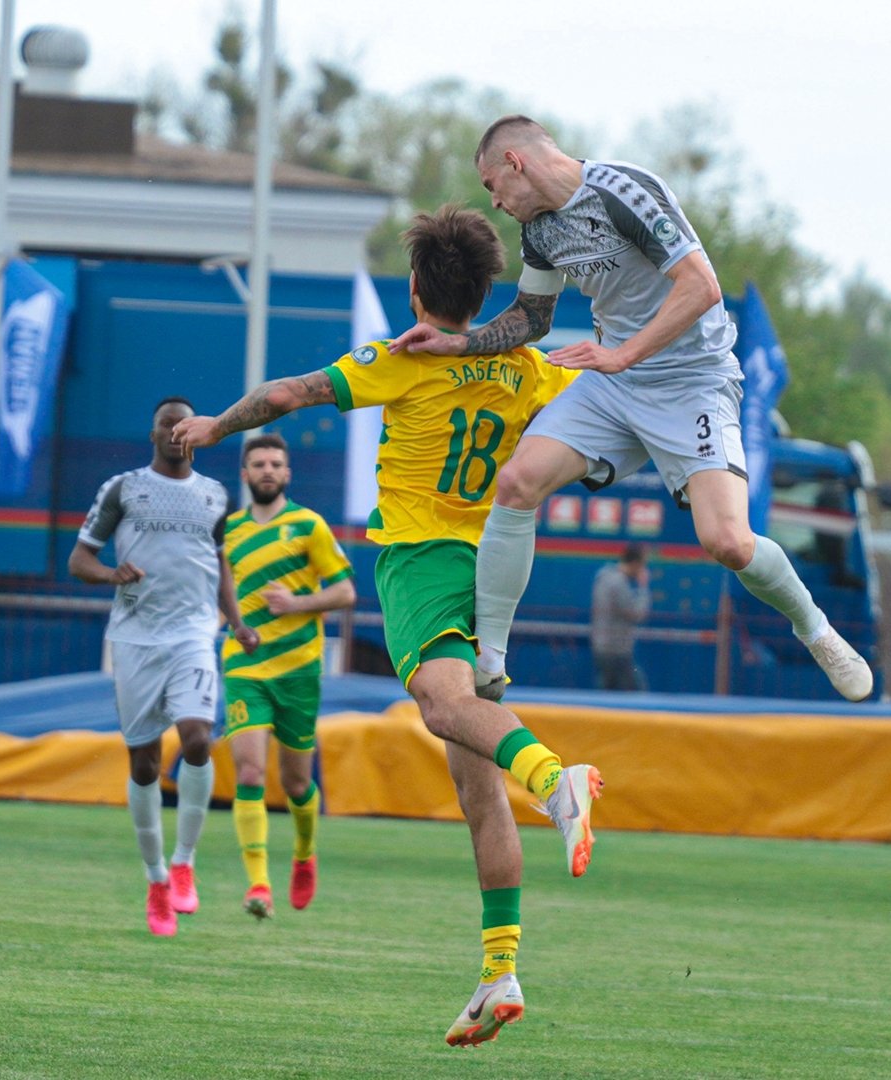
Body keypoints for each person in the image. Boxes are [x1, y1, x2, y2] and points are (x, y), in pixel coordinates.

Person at [173, 205, 601, 1048]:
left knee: (442, 706)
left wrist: (212, 427)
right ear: (483, 294)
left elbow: (288, 394)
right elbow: (597, 405)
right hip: (494, 569)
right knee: (474, 782)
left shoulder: (403, 359)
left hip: (424, 562)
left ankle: (557, 780)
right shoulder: (527, 366)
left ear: (414, 289)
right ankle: (499, 971)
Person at [391, 115, 871, 705]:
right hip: (615, 381)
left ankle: (817, 631)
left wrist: (623, 355)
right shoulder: (540, 231)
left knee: (728, 544)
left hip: (692, 379)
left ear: (516, 163)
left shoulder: (623, 191)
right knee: (516, 482)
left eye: (493, 185)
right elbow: (532, 320)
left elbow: (701, 287)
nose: (494, 201)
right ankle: (489, 658)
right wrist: (457, 342)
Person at [68, 397, 259, 938]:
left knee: (198, 738)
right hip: (134, 638)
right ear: (152, 433)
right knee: (145, 764)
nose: (177, 431)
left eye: (185, 424)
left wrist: (236, 621)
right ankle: (154, 878)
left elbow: (218, 562)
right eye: (167, 424)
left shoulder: (215, 495)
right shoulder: (122, 488)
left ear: (198, 434)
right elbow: (79, 559)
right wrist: (111, 575)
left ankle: (184, 863)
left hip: (195, 634)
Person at [221, 432, 357, 920]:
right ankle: (258, 884)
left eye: (275, 463)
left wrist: (296, 603)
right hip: (245, 665)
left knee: (297, 783)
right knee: (251, 772)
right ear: (244, 473)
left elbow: (344, 593)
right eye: (258, 463)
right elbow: (216, 592)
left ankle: (303, 855)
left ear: (288, 473)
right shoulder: (228, 532)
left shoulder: (308, 526)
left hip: (299, 669)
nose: (267, 471)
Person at [591, 542, 650, 691]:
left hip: (602, 645)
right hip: (616, 650)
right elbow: (636, 614)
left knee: (607, 690)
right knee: (636, 692)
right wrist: (643, 588)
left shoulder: (604, 577)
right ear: (635, 563)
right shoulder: (618, 583)